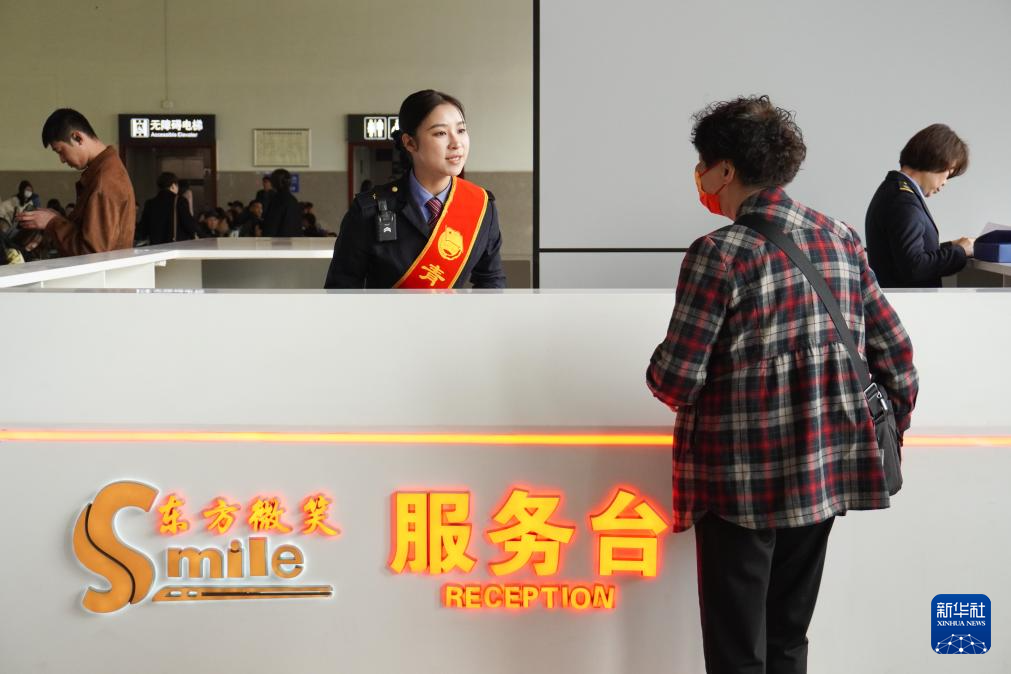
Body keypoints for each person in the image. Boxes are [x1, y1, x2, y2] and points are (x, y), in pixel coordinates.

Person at [645, 95, 919, 674]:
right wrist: (879, 429)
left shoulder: (718, 254)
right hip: (823, 474)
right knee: (789, 638)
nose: (700, 176)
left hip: (738, 485)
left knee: (737, 651)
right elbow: (896, 355)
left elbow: (676, 381)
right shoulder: (840, 237)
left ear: (724, 169)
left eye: (703, 164)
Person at [325, 89, 506, 289]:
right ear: (410, 143)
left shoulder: (481, 206)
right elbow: (340, 290)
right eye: (441, 133)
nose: (456, 143)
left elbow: (491, 281)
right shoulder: (368, 209)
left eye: (461, 130)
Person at [16, 108, 136, 256]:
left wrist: (52, 223)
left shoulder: (104, 180)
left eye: (60, 151)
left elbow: (93, 253)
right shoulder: (106, 171)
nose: (62, 160)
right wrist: (57, 218)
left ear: (78, 138)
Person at [865, 124, 973, 288]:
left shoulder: (893, 190)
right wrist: (960, 252)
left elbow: (904, 255)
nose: (945, 182)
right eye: (948, 173)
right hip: (909, 302)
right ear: (938, 160)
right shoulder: (904, 202)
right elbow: (914, 267)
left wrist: (951, 246)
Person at [137, 171, 198, 245]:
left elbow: (143, 228)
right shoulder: (180, 201)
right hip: (175, 246)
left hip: (156, 246)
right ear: (173, 185)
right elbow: (189, 225)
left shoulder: (150, 203)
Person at [260, 168, 302, 237]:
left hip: (279, 241)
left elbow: (271, 226)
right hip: (293, 240)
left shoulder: (277, 200)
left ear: (274, 183)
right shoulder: (293, 199)